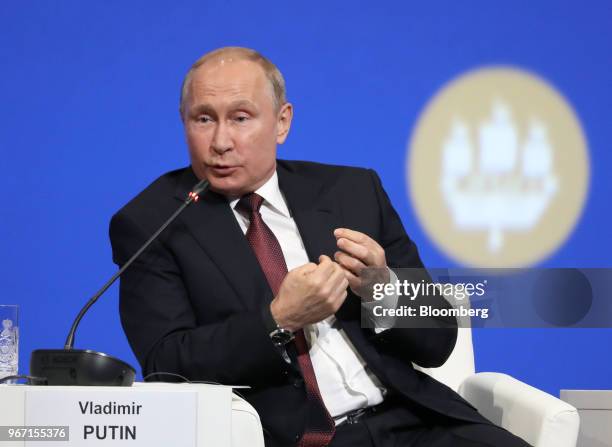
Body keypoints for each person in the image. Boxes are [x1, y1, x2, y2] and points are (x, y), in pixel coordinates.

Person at [110, 47, 531, 447]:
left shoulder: (352, 190)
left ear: (282, 122)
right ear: (183, 122)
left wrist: (383, 290)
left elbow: (438, 340)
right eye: (203, 119)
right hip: (294, 437)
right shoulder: (152, 223)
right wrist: (279, 318)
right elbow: (167, 364)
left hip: (413, 420)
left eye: (240, 118)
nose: (220, 141)